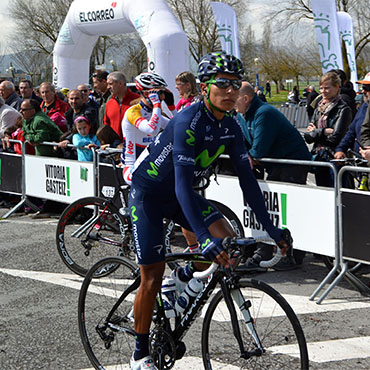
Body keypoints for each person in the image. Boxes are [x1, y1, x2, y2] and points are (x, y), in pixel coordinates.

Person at [127, 52, 291, 370]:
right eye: (223, 84)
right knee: (151, 277)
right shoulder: (188, 122)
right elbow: (182, 187)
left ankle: (184, 277)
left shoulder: (230, 126)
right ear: (204, 88)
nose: (231, 91)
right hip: (149, 195)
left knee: (228, 242)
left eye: (235, 84)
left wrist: (273, 230)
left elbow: (249, 184)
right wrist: (202, 238)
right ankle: (139, 353)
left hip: (181, 194)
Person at [235, 81, 311, 271]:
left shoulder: (264, 113)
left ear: (245, 98)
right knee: (274, 209)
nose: (230, 101)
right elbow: (244, 145)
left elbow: (258, 151)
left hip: (291, 163)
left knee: (288, 211)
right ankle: (266, 251)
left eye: (235, 97)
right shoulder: (243, 114)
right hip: (276, 164)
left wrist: (248, 156)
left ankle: (293, 255)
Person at [121, 72, 175, 185]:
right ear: (147, 94)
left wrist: (172, 108)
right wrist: (156, 105)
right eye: (160, 93)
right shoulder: (133, 112)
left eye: (164, 92)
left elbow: (178, 128)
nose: (163, 97)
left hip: (150, 165)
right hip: (131, 168)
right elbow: (152, 130)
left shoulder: (154, 113)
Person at [304, 71, 352, 187]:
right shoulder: (319, 108)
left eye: (327, 88)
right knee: (322, 193)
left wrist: (315, 133)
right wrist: (323, 131)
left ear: (336, 87)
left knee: (336, 194)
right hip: (319, 158)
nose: (323, 91)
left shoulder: (343, 109)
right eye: (321, 88)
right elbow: (308, 137)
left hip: (334, 158)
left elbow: (336, 137)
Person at [335, 72, 370, 159]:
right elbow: (351, 131)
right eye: (363, 87)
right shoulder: (364, 107)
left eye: (367, 88)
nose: (363, 91)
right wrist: (341, 149)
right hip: (361, 161)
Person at [104, 71, 140, 141]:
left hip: (134, 145)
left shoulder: (138, 100)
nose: (108, 87)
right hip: (115, 147)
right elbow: (106, 126)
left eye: (110, 84)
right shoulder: (109, 103)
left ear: (120, 83)